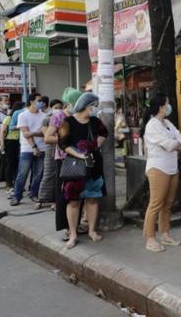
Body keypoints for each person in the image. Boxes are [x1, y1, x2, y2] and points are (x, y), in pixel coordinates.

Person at [59, 93, 107, 248]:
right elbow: (63, 144)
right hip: (75, 166)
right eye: (95, 105)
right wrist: (79, 154)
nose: (96, 109)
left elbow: (104, 132)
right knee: (73, 201)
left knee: (92, 198)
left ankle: (91, 230)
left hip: (94, 165)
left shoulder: (95, 121)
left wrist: (96, 145)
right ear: (87, 106)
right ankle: (73, 234)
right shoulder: (68, 122)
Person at [142, 93, 181, 252]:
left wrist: (177, 143)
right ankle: (150, 238)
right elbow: (168, 144)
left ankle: (165, 234)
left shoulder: (167, 122)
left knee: (168, 204)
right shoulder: (152, 125)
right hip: (158, 168)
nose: (168, 106)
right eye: (166, 103)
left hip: (172, 167)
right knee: (156, 203)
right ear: (161, 106)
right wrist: (177, 143)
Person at [45, 88, 83, 238]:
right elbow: (48, 138)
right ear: (70, 102)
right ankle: (67, 227)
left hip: (79, 158)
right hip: (63, 159)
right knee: (65, 194)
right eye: (77, 101)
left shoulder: (80, 116)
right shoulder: (58, 116)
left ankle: (76, 225)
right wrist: (67, 141)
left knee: (78, 194)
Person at [11, 93, 47, 206]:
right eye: (39, 100)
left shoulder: (44, 116)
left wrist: (33, 133)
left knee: (38, 174)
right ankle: (17, 196)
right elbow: (25, 133)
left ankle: (34, 194)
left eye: (42, 100)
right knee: (22, 174)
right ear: (31, 101)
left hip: (43, 148)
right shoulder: (23, 115)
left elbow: (44, 133)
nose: (41, 102)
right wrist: (34, 147)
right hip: (27, 149)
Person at [36, 99, 64, 208]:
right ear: (51, 108)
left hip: (61, 149)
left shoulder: (63, 119)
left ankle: (56, 201)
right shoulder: (46, 120)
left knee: (59, 176)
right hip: (50, 149)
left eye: (60, 107)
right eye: (56, 107)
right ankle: (41, 199)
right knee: (48, 174)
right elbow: (46, 134)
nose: (58, 110)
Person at [0, 101, 25, 194]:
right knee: (10, 164)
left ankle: (16, 184)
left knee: (18, 164)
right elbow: (2, 131)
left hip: (19, 142)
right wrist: (2, 144)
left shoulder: (23, 117)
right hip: (9, 142)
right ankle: (9, 185)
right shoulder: (8, 118)